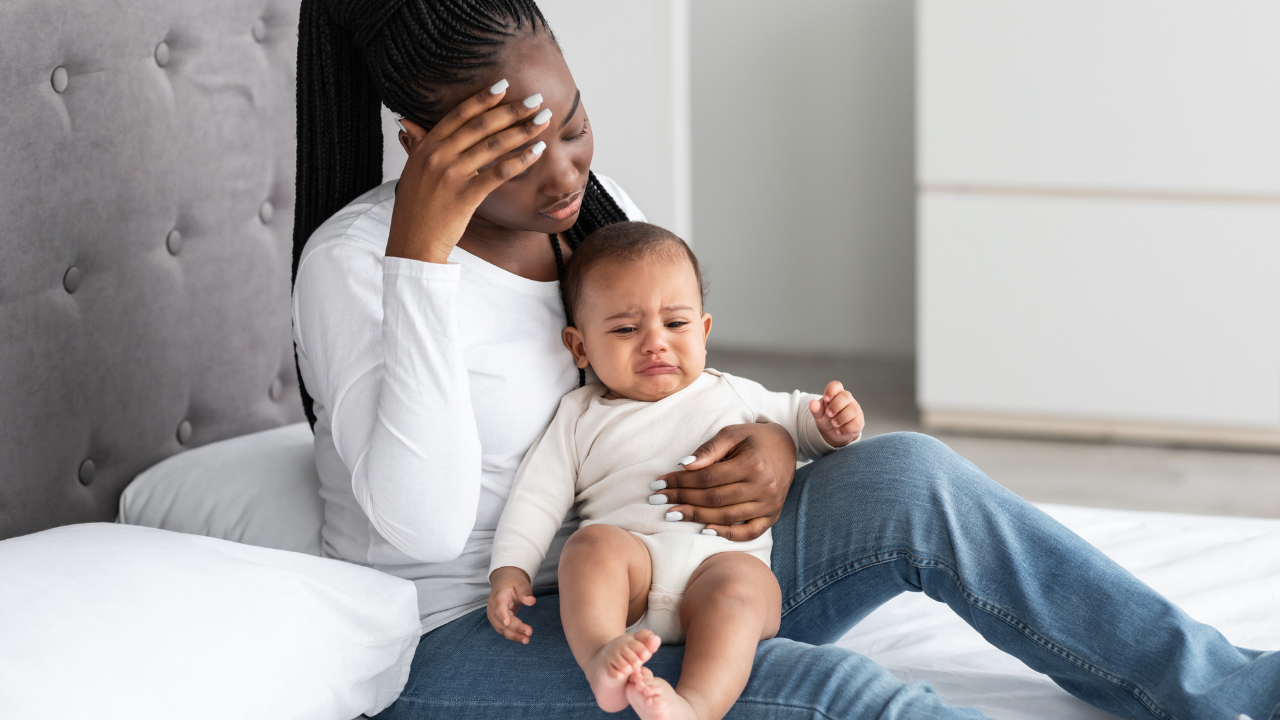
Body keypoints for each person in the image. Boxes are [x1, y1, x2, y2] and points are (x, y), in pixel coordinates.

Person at [290, 1, 1280, 718]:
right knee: (833, 696)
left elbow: (676, 392)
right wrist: (418, 256)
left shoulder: (599, 215)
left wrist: (767, 448)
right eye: (513, 153)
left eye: (574, 125)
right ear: (419, 144)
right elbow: (417, 529)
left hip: (669, 562)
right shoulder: (353, 269)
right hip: (478, 630)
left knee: (912, 474)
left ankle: (1226, 688)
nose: (563, 174)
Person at [487, 222, 862, 720]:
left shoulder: (731, 392)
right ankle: (602, 655)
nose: (655, 343)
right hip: (633, 576)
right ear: (579, 348)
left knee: (743, 589)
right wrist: (511, 568)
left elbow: (802, 422)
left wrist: (834, 426)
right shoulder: (579, 415)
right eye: (625, 329)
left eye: (676, 325)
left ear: (704, 330)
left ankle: (695, 706)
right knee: (590, 547)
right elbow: (537, 496)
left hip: (718, 566)